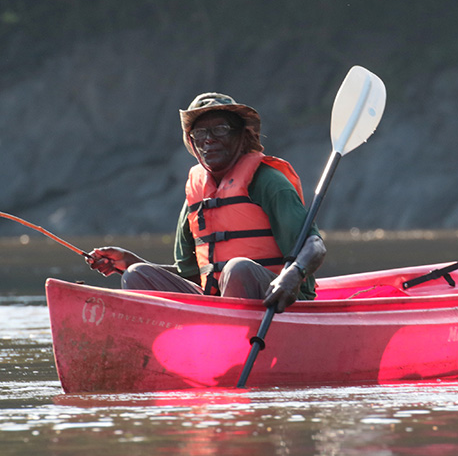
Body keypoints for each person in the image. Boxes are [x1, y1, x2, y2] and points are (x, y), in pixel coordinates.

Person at [87, 93, 326, 313]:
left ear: (242, 136)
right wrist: (130, 261)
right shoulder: (197, 193)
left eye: (220, 129)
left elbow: (315, 245)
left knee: (238, 268)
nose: (208, 140)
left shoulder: (269, 182)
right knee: (136, 274)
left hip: (280, 301)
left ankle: (236, 346)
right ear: (191, 143)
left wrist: (293, 275)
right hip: (219, 306)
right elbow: (192, 275)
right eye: (200, 134)